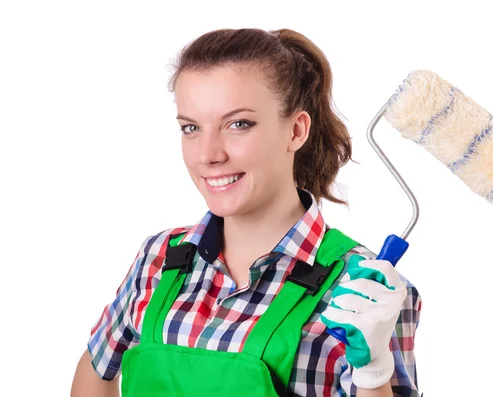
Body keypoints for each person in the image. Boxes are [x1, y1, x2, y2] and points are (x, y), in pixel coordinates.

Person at [70, 27, 422, 397]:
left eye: (238, 124)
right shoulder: (160, 257)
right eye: (191, 128)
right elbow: (96, 368)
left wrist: (372, 373)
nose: (208, 154)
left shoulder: (365, 290)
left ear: (296, 130)